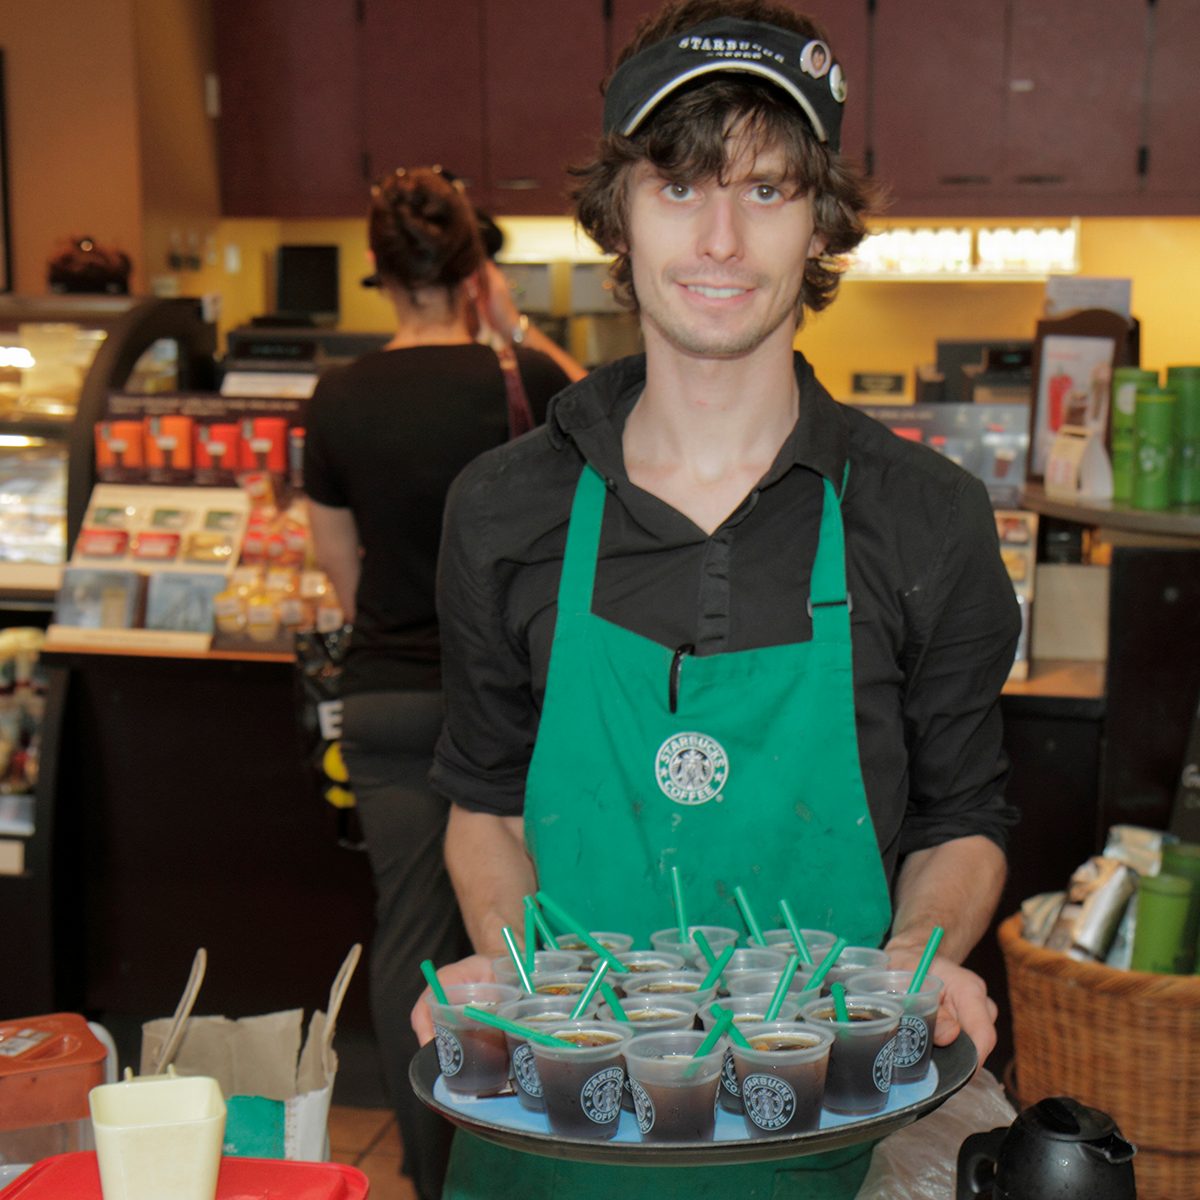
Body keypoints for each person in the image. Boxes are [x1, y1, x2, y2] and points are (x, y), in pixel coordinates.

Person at [416, 2, 1020, 1196]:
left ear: (822, 222)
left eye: (769, 189)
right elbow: (483, 804)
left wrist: (911, 962)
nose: (722, 239)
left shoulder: (922, 519)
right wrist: (533, 987)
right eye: (680, 185)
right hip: (551, 1141)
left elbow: (963, 815)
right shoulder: (504, 510)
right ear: (619, 214)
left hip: (823, 1139)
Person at [303, 165, 575, 1200]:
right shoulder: (522, 381)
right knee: (526, 933)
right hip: (508, 705)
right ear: (476, 270)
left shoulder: (339, 395)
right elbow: (598, 411)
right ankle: (543, 1139)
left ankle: (428, 1169)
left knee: (409, 937)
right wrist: (507, 320)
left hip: (387, 701)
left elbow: (340, 564)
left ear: (376, 273)